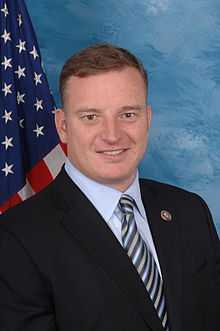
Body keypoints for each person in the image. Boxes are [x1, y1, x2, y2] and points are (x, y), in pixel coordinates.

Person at [0, 43, 219, 331]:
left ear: (148, 119)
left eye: (127, 114)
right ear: (63, 126)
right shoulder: (15, 238)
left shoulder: (189, 210)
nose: (112, 135)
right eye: (91, 117)